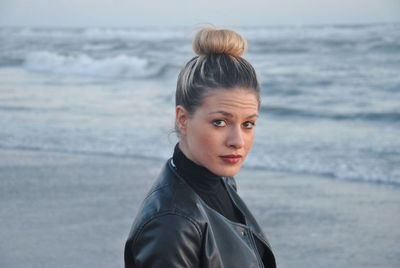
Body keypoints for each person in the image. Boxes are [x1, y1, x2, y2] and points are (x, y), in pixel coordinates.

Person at [124, 26, 276, 268]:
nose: (238, 140)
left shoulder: (220, 182)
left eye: (248, 123)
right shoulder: (171, 224)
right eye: (220, 122)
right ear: (183, 120)